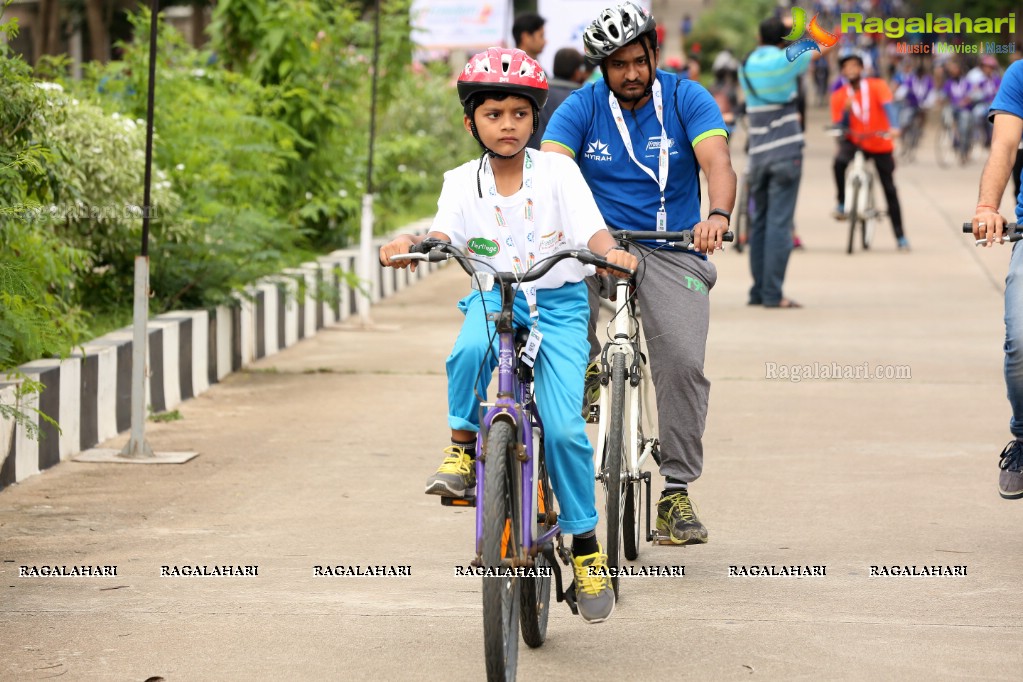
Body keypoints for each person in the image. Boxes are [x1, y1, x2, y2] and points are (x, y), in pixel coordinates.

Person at [379, 48, 637, 622]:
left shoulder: (559, 172)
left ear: (535, 118)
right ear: (472, 122)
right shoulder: (459, 182)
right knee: (467, 349)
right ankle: (461, 446)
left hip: (563, 305)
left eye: (520, 114)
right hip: (495, 300)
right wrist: (411, 246)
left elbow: (592, 232)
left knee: (567, 427)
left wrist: (612, 255)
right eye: (493, 114)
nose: (507, 125)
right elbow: (442, 232)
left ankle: (587, 545)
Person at [541, 2, 736, 546]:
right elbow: (551, 171)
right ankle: (584, 367)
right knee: (547, 295)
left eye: (638, 60)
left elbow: (717, 161)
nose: (630, 73)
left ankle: (675, 491)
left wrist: (715, 216)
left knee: (681, 362)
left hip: (671, 246)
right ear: (600, 68)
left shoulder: (685, 97)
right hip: (596, 247)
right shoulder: (580, 107)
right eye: (617, 64)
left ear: (654, 51)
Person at [970, 59, 1023, 499]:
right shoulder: (1020, 75)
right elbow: (1004, 146)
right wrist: (988, 206)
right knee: (1021, 341)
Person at [739, 16, 819, 309]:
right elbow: (814, 44)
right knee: (779, 224)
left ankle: (758, 291)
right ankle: (773, 294)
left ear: (760, 36)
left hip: (758, 154)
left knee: (758, 222)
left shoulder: (745, 65)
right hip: (786, 152)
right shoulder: (787, 58)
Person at [831, 51, 910, 251]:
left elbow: (888, 107)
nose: (850, 70)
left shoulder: (877, 86)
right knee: (839, 163)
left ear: (862, 69)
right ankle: (842, 201)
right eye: (846, 67)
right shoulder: (839, 96)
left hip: (879, 140)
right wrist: (847, 112)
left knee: (889, 188)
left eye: (854, 66)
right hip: (855, 139)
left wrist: (894, 127)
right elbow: (839, 124)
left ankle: (900, 236)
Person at [528, 47, 586, 149]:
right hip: (565, 159)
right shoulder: (582, 100)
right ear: (577, 72)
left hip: (531, 156)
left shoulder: (536, 92)